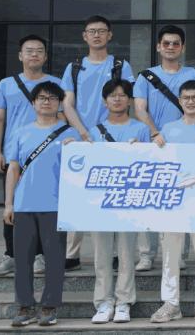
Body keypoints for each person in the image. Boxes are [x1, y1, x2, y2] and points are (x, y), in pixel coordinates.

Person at [0, 35, 72, 278]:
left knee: (45, 206)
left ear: (45, 56)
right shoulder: (6, 84)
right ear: (20, 55)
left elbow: (64, 117)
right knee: (13, 205)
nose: (34, 54)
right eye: (29, 50)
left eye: (39, 51)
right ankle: (11, 254)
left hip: (48, 156)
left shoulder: (56, 84)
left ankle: (40, 254)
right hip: (16, 155)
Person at [61, 16, 135, 272]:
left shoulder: (120, 65)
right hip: (81, 138)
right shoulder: (73, 67)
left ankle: (113, 252)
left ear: (109, 35)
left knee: (111, 195)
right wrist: (83, 132)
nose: (96, 35)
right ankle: (72, 253)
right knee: (77, 195)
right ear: (84, 36)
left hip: (113, 140)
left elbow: (127, 98)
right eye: (92, 31)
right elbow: (67, 103)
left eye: (101, 31)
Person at [3, 81, 79, 328]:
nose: (47, 102)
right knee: (22, 260)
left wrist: (77, 149)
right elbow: (13, 169)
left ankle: (49, 306)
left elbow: (80, 168)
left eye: (52, 98)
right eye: (42, 98)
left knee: (55, 260)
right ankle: (24, 306)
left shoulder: (70, 133)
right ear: (34, 103)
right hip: (24, 204)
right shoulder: (20, 132)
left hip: (56, 205)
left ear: (60, 103)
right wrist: (8, 203)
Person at [132, 25, 195, 271]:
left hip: (184, 145)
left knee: (181, 199)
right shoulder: (145, 76)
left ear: (182, 47)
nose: (171, 47)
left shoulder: (193, 73)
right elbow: (139, 109)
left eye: (175, 43)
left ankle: (179, 254)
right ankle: (146, 254)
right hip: (153, 144)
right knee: (150, 199)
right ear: (158, 47)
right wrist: (155, 132)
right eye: (166, 43)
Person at [148, 80, 195, 324]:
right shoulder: (167, 129)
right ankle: (171, 304)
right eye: (186, 97)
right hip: (173, 201)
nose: (191, 101)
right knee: (170, 255)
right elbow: (155, 160)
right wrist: (155, 144)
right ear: (179, 101)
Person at [89, 79, 147, 324]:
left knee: (126, 254)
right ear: (105, 101)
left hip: (129, 200)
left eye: (123, 95)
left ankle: (123, 302)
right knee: (101, 256)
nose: (117, 99)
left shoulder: (141, 129)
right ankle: (103, 302)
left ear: (130, 101)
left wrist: (141, 149)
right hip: (101, 201)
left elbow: (149, 163)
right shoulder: (94, 131)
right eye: (112, 95)